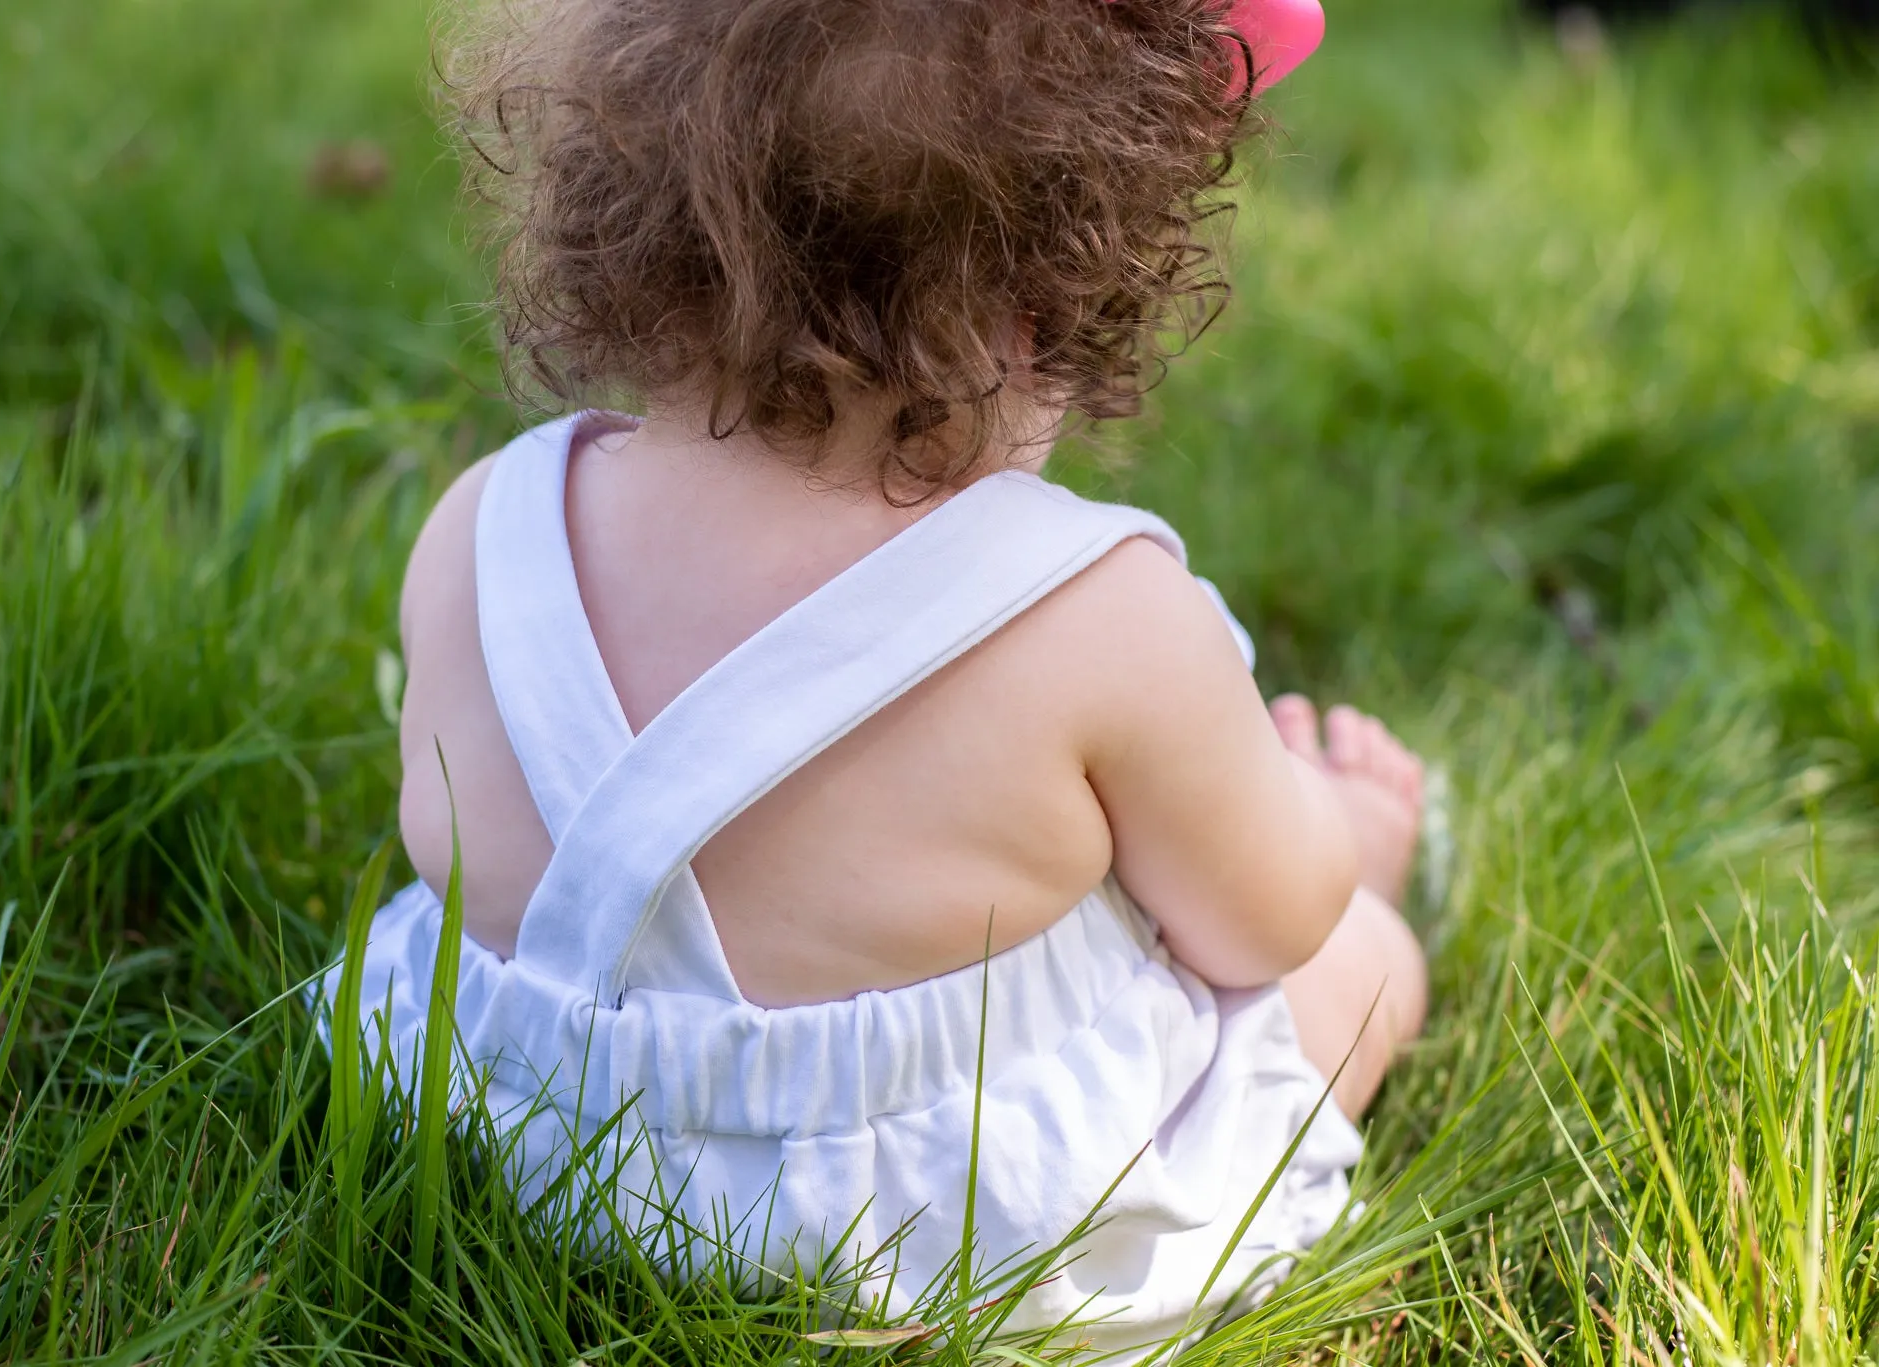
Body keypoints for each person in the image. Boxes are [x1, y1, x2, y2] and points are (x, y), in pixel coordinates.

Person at [323, 0, 1428, 1348]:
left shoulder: (485, 528)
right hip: (911, 1235)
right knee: (1360, 962)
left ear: (624, 224)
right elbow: (1262, 922)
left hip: (507, 1133)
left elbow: (455, 836)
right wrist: (1348, 843)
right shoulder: (1099, 612)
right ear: (1060, 295)